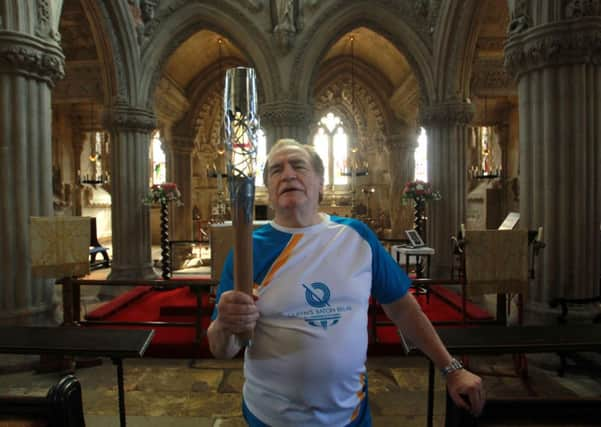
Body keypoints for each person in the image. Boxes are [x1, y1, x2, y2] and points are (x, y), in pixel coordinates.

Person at [207, 138, 485, 426]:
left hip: (350, 416)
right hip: (270, 418)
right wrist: (225, 324)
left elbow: (403, 308)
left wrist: (451, 369)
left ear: (320, 183)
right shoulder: (248, 251)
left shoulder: (356, 237)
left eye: (298, 166)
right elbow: (222, 349)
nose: (287, 174)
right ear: (267, 191)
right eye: (276, 170)